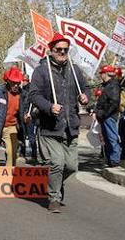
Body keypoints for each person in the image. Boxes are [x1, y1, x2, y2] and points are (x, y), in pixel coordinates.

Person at [29, 33, 90, 213]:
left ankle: (55, 183)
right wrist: (48, 107)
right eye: (59, 50)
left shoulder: (75, 69)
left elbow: (85, 87)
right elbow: (33, 94)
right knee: (57, 162)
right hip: (50, 126)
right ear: (51, 50)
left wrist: (86, 96)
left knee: (71, 166)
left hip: (70, 125)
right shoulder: (41, 70)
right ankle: (54, 198)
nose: (62, 52)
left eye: (65, 49)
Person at [94, 65, 121, 168]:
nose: (101, 76)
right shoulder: (108, 85)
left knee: (112, 138)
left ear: (106, 74)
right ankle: (110, 159)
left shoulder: (113, 86)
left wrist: (103, 113)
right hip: (105, 116)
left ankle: (114, 160)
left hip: (109, 117)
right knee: (107, 139)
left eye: (102, 74)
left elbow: (114, 102)